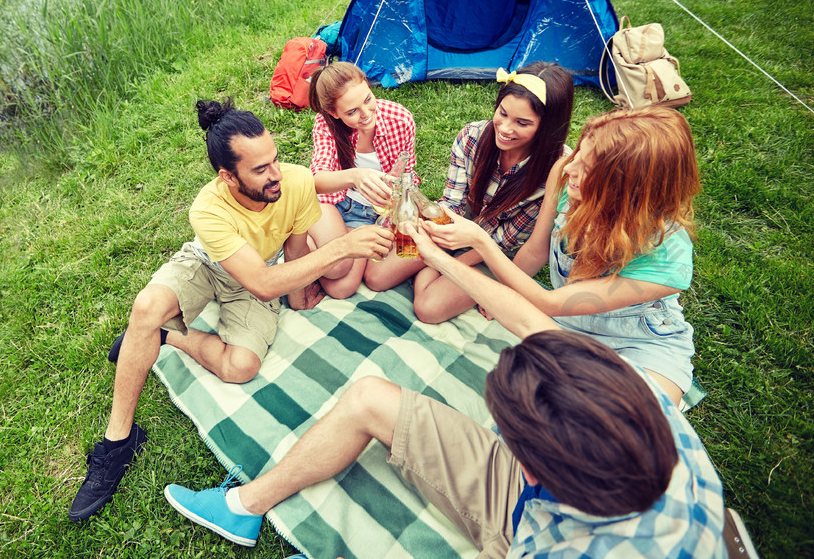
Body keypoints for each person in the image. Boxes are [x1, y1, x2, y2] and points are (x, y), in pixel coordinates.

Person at [162, 223, 726, 556]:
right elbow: (536, 322)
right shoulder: (647, 403)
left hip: (529, 526)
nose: (501, 446)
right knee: (367, 397)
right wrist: (433, 255)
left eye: (516, 446)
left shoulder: (561, 549)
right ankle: (243, 506)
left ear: (543, 470)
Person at [68, 99, 394, 522]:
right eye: (260, 169)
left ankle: (165, 337)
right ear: (228, 176)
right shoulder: (208, 208)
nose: (275, 173)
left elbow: (290, 255)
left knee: (241, 366)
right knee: (147, 306)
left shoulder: (292, 182)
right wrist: (342, 246)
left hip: (260, 276)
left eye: (274, 159)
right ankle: (118, 442)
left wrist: (297, 290)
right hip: (209, 265)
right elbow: (259, 281)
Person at [422, 107, 700, 405]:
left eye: (588, 167)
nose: (570, 168)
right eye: (578, 152)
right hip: (568, 326)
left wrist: (481, 241)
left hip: (641, 342)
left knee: (626, 422)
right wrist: (504, 291)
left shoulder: (668, 255)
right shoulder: (565, 175)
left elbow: (549, 303)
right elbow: (536, 250)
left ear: (627, 186)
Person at [364, 63, 573, 324]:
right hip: (455, 228)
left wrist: (444, 260)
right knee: (375, 276)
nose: (505, 128)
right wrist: (428, 233)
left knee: (429, 308)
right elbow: (452, 205)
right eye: (503, 113)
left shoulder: (558, 171)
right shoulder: (472, 137)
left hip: (498, 253)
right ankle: (435, 267)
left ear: (547, 127)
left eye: (522, 123)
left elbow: (511, 243)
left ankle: (434, 270)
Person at [305, 61, 417, 298]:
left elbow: (409, 174)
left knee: (342, 288)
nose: (366, 115)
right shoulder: (326, 123)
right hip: (331, 204)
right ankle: (301, 242)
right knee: (338, 267)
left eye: (368, 99)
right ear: (334, 113)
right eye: (352, 112)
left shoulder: (400, 119)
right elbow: (316, 179)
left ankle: (331, 241)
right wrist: (356, 176)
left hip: (370, 215)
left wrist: (398, 207)